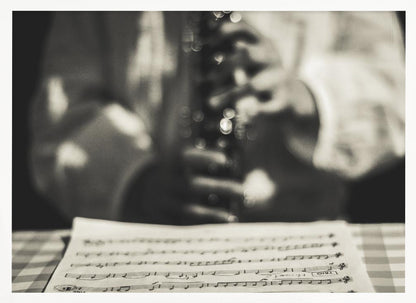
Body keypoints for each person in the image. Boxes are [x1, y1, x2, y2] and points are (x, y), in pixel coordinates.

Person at [30, 11, 405, 225]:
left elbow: (397, 93)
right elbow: (62, 108)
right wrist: (135, 181)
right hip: (147, 230)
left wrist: (305, 98)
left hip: (303, 225)